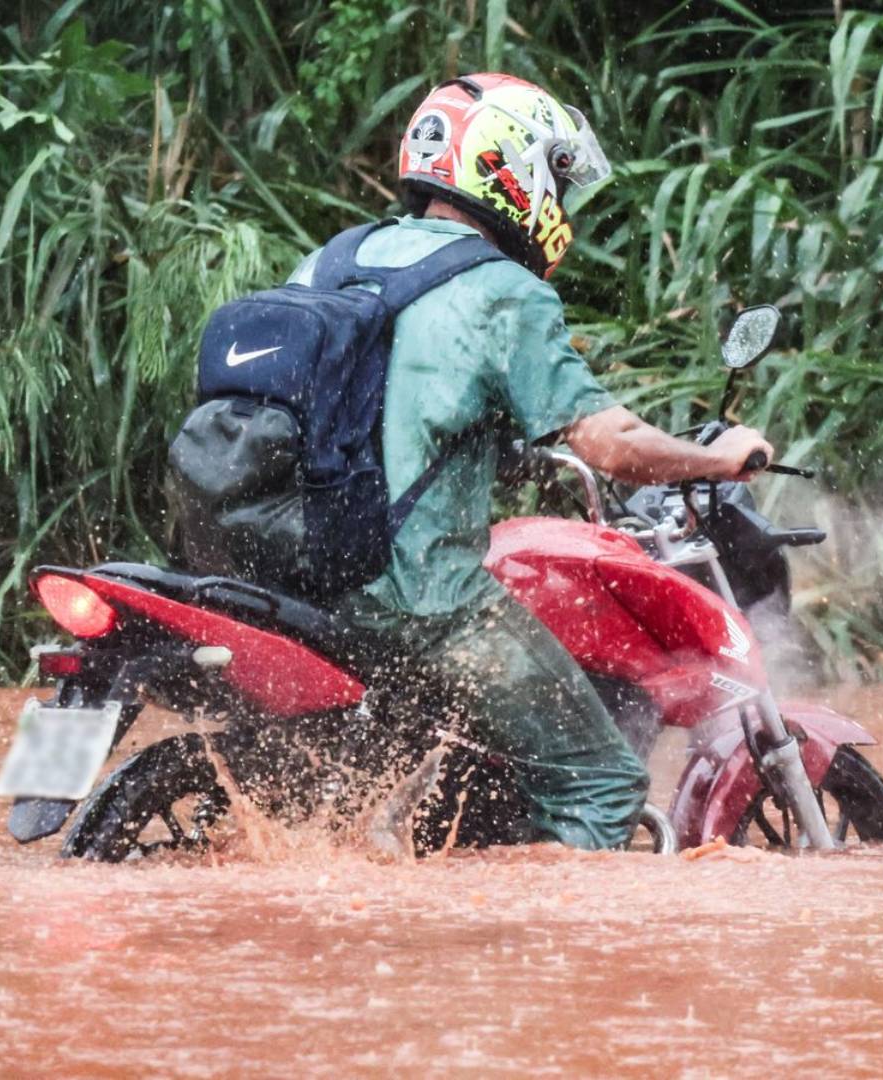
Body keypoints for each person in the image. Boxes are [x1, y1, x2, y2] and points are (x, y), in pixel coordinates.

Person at [292, 73, 775, 851]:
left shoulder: (336, 259)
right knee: (603, 780)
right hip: (418, 599)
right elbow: (611, 446)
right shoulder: (501, 290)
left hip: (296, 581)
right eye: (552, 175)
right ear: (507, 171)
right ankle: (532, 965)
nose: (557, 198)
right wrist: (714, 458)